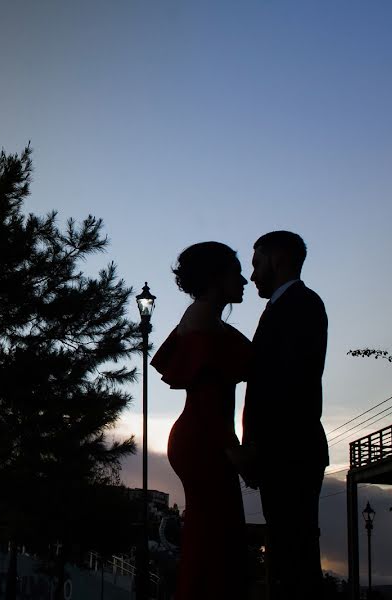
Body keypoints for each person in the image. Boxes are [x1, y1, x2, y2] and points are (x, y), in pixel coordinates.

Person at [150, 241, 251, 600]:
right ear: (215, 277)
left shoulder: (205, 315)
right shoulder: (205, 317)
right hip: (205, 439)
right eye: (235, 273)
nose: (245, 281)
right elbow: (208, 391)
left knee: (208, 541)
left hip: (200, 436)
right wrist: (232, 448)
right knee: (214, 542)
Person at [242, 231, 328, 599]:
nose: (253, 275)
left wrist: (257, 449)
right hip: (284, 454)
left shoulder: (302, 305)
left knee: (295, 559)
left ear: (277, 260)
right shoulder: (286, 306)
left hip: (289, 454)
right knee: (289, 554)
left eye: (257, 263)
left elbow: (287, 386)